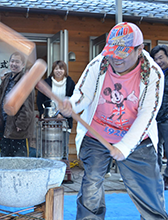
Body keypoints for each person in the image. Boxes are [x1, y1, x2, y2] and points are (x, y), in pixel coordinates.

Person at [60, 22, 168, 219]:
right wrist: (72, 105)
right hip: (97, 133)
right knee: (92, 183)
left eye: (123, 54)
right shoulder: (99, 63)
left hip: (137, 138)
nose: (116, 59)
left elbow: (147, 115)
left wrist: (125, 146)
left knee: (148, 188)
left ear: (140, 49)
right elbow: (83, 94)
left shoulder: (153, 74)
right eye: (112, 53)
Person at [0, 52, 35, 157]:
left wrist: (21, 124)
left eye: (17, 62)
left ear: (23, 65)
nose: (14, 64)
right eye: (12, 61)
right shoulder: (7, 79)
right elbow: (0, 100)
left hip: (18, 128)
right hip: (5, 125)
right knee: (5, 158)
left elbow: (28, 107)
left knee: (19, 159)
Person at [36, 60, 75, 159]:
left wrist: (63, 114)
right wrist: (42, 112)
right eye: (56, 69)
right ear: (53, 70)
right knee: (47, 144)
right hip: (49, 118)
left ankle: (63, 165)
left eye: (61, 69)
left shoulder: (70, 83)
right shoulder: (46, 82)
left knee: (64, 144)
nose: (59, 71)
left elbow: (73, 100)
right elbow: (40, 99)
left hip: (64, 118)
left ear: (65, 70)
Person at [150, 45, 168, 189]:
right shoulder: (155, 75)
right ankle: (155, 178)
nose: (158, 61)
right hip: (155, 118)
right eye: (155, 59)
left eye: (161, 57)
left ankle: (167, 178)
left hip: (167, 119)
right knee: (155, 149)